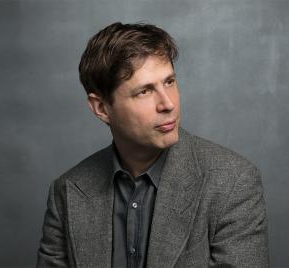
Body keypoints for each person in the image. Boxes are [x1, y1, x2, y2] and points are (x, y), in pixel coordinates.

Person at [36, 22, 268, 267]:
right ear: (102, 108)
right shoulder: (67, 192)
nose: (167, 103)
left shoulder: (233, 182)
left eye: (169, 82)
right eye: (144, 91)